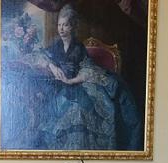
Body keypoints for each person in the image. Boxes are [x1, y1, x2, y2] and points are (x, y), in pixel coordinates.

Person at [35, 4, 142, 150]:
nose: (61, 29)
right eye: (59, 25)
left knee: (79, 109)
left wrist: (71, 80)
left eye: (65, 25)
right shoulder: (55, 45)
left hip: (77, 84)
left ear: (72, 27)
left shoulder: (78, 47)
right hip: (58, 86)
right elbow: (41, 57)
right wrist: (52, 67)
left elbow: (86, 69)